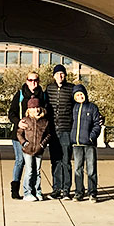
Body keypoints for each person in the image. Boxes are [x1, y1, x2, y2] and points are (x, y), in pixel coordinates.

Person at [8, 71, 47, 200]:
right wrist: (18, 122)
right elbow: (11, 113)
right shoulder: (20, 95)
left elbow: (46, 114)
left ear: (39, 81)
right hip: (20, 135)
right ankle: (15, 189)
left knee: (34, 166)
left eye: (35, 80)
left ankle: (33, 190)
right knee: (20, 161)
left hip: (36, 136)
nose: (33, 82)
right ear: (26, 81)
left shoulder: (43, 95)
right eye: (30, 80)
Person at [46, 64, 75, 199]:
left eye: (62, 74)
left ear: (65, 75)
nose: (60, 76)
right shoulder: (49, 89)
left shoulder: (71, 89)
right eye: (57, 74)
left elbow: (76, 108)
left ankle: (66, 189)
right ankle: (56, 188)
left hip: (66, 129)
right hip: (53, 130)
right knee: (55, 160)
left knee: (66, 160)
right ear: (54, 76)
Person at [70, 84, 103, 202]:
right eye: (77, 95)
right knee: (78, 168)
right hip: (77, 143)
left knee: (91, 168)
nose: (79, 97)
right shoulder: (73, 108)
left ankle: (92, 192)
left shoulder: (92, 107)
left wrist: (92, 137)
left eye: (81, 94)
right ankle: (79, 192)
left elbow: (97, 124)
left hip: (89, 143)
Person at [17, 97, 52, 201]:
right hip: (27, 150)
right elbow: (19, 133)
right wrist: (24, 143)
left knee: (37, 171)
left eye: (37, 107)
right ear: (29, 109)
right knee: (29, 171)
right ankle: (27, 192)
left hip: (39, 150)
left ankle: (37, 191)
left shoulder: (44, 121)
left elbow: (48, 134)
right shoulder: (25, 120)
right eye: (32, 108)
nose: (35, 110)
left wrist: (43, 144)